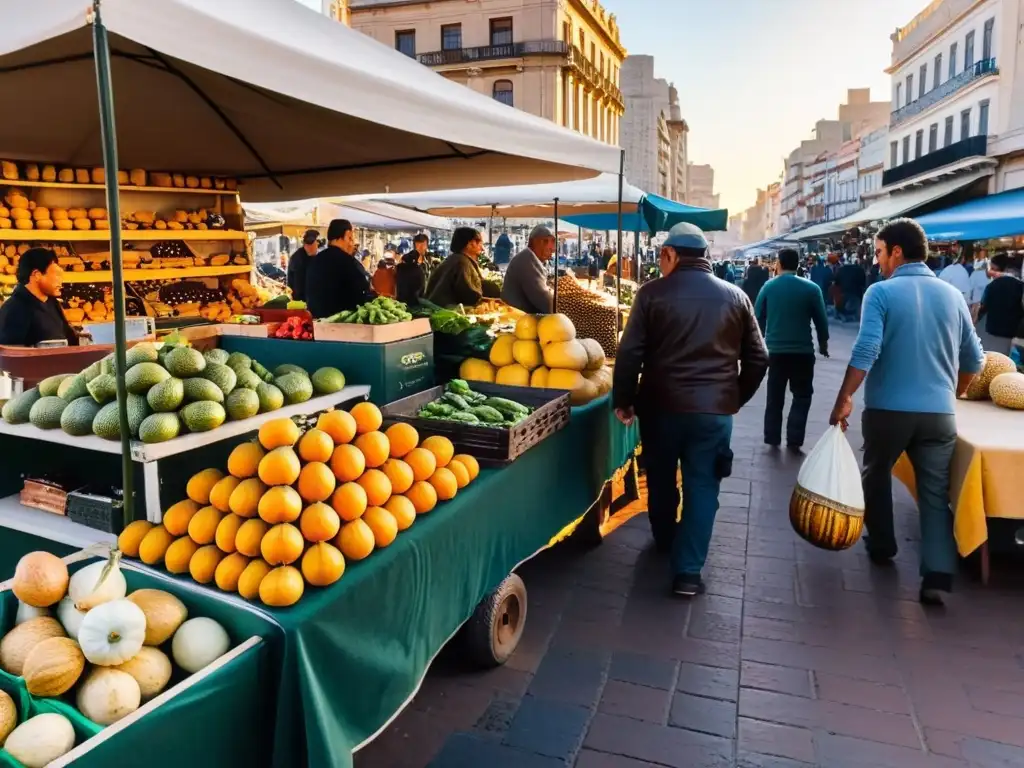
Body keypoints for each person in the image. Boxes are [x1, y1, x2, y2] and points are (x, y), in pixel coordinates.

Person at [829, 218, 984, 607]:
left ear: (896, 251)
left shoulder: (880, 293)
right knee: (934, 492)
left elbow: (866, 350)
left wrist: (844, 396)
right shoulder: (951, 296)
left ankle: (882, 544)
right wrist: (957, 390)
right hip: (939, 414)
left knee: (876, 472)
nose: (878, 260)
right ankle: (936, 572)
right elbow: (975, 358)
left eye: (880, 252)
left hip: (887, 411)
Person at [613, 223, 768, 597]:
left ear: (670, 255)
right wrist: (732, 399)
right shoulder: (736, 297)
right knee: (703, 486)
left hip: (661, 408)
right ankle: (688, 572)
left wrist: (623, 398)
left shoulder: (651, 294)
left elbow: (630, 352)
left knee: (662, 477)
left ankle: (665, 540)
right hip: (713, 414)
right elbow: (760, 358)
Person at [754, 248, 829, 450]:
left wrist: (757, 344)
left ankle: (772, 437)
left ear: (778, 263)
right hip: (803, 352)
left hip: (776, 352)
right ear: (797, 264)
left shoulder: (769, 287)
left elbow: (757, 316)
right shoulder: (812, 289)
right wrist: (823, 343)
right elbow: (821, 320)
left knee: (775, 396)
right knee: (802, 396)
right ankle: (795, 439)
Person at [0, 247, 80, 346]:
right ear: (36, 275)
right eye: (57, 275)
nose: (60, 281)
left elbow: (70, 340)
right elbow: (12, 356)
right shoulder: (14, 309)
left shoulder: (52, 303)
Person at [304, 219, 374, 318]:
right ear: (347, 234)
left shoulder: (316, 261)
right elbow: (362, 290)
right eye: (351, 238)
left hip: (318, 323)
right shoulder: (347, 262)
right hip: (342, 323)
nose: (352, 243)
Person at [425, 227, 501, 308]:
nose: (482, 248)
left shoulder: (455, 259)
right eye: (479, 242)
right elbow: (470, 296)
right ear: (469, 244)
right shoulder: (461, 263)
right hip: (447, 313)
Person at [976, 252, 1024, 355]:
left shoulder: (992, 285)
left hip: (992, 329)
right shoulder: (1020, 286)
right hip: (1012, 331)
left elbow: (983, 305)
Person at [502, 224, 555, 314]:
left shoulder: (531, 258)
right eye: (549, 243)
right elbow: (543, 299)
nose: (553, 249)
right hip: (517, 317)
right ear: (537, 242)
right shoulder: (527, 260)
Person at [286, 229, 321, 302]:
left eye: (311, 244)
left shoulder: (315, 256)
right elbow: (299, 286)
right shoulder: (298, 259)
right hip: (301, 301)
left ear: (317, 244)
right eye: (307, 244)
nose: (309, 247)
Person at [396, 235, 428, 306]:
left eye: (423, 245)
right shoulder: (407, 258)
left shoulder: (429, 260)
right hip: (410, 298)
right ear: (414, 246)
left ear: (427, 246)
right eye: (418, 246)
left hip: (426, 298)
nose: (421, 248)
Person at [835, 257, 867, 321]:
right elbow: (863, 283)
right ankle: (856, 315)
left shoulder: (840, 270)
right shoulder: (860, 269)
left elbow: (836, 282)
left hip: (843, 294)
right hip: (856, 294)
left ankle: (840, 313)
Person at [968, 254, 992, 323]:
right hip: (985, 299)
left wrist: (969, 298)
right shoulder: (990, 274)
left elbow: (970, 286)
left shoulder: (975, 273)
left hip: (976, 299)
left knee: (973, 315)